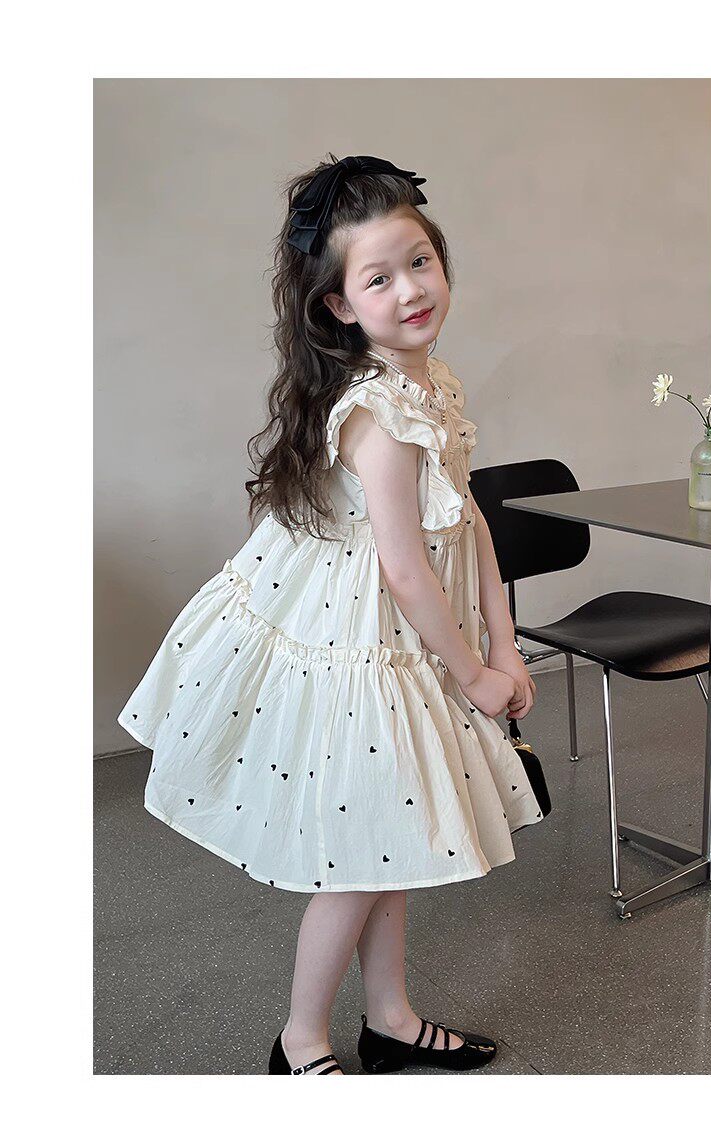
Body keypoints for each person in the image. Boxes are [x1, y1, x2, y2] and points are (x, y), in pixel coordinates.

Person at [117, 152, 543, 1077]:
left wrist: (506, 643)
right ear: (340, 305)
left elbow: (466, 517)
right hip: (360, 649)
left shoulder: (433, 384)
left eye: (419, 261)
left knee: (392, 840)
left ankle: (389, 1019)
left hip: (409, 641)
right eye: (378, 278)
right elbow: (404, 568)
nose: (411, 289)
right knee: (356, 862)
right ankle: (300, 1040)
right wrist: (475, 673)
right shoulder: (378, 415)